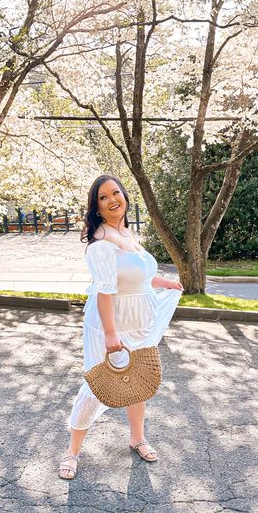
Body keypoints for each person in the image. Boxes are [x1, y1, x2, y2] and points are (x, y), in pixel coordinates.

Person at [58, 174, 183, 480]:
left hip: (140, 321)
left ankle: (137, 437)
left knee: (138, 378)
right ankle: (72, 452)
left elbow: (137, 275)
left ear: (125, 196)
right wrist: (112, 334)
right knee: (95, 385)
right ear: (96, 207)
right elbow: (104, 291)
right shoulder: (100, 242)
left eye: (116, 193)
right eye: (104, 197)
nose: (112, 199)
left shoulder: (126, 233)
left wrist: (164, 281)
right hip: (110, 324)